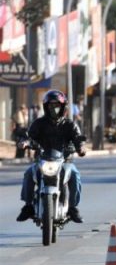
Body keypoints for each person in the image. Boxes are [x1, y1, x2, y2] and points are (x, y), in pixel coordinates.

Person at [16, 90, 87, 223]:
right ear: (46, 107)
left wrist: (81, 147)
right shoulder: (39, 123)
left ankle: (72, 208)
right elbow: (29, 136)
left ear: (63, 107)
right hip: (43, 159)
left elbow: (78, 138)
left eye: (57, 105)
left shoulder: (70, 124)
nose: (53, 108)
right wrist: (24, 142)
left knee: (75, 175)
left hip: (64, 160)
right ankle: (28, 206)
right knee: (29, 173)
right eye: (50, 106)